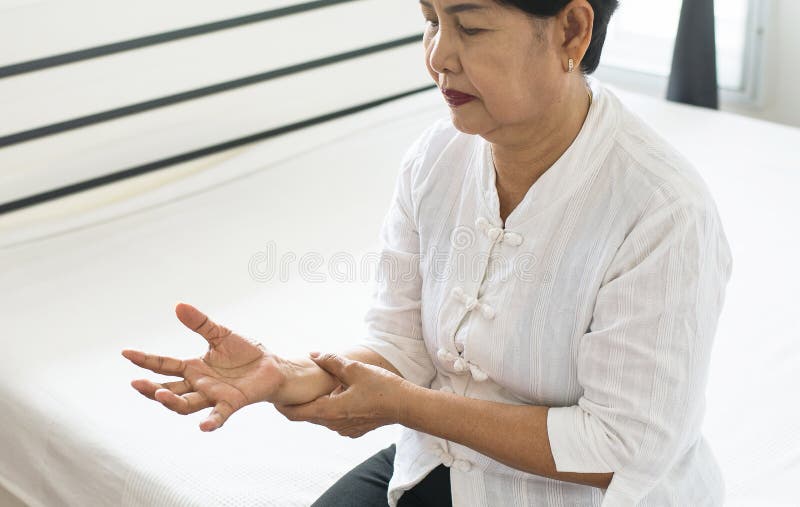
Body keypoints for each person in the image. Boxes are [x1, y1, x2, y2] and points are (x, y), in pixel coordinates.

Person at [122, 0, 734, 505]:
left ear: (571, 31)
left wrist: (409, 406)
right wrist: (288, 376)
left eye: (469, 26)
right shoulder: (435, 159)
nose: (439, 56)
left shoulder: (661, 211)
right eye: (430, 20)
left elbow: (621, 447)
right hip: (443, 467)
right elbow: (402, 346)